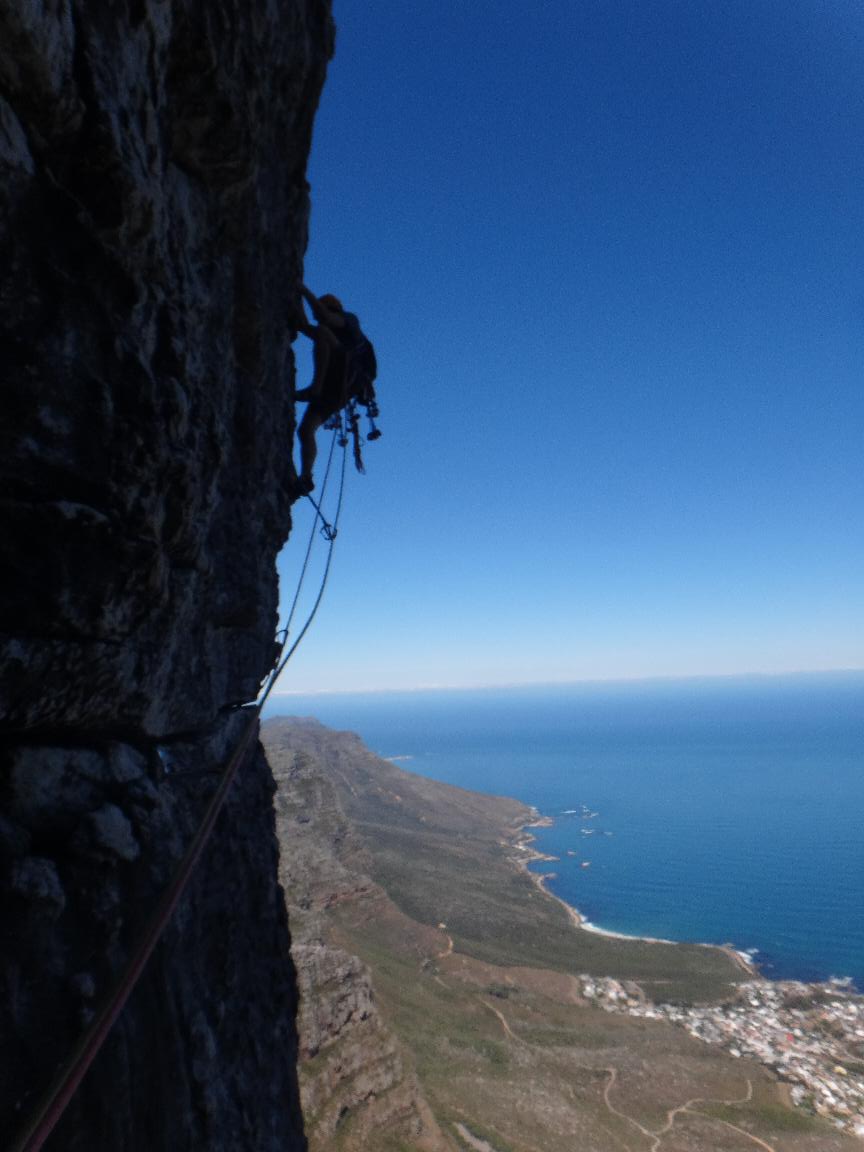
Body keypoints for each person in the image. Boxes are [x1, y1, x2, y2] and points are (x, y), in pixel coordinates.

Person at [294, 287, 377, 494]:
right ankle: (306, 477)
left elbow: (322, 317)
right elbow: (303, 327)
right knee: (306, 430)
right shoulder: (330, 332)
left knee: (322, 332)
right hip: (335, 390)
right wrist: (295, 300)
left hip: (343, 377)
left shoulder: (348, 321)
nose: (318, 317)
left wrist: (301, 289)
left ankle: (314, 387)